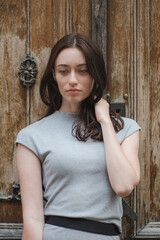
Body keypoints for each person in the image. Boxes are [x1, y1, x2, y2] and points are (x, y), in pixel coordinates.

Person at [16, 33, 141, 240]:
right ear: (54, 76)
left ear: (95, 75)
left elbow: (123, 186)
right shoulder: (32, 136)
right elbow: (32, 218)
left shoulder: (126, 129)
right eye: (63, 71)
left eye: (82, 71)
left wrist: (105, 121)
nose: (72, 80)